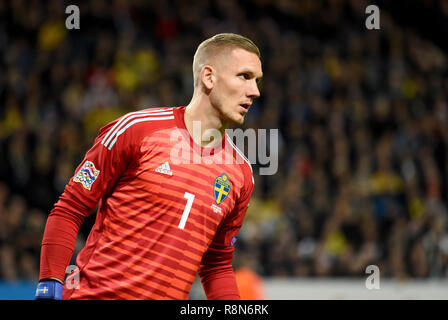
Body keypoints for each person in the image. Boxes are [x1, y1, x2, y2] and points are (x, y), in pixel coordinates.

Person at [35, 33, 263, 300]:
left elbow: (217, 265)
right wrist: (49, 284)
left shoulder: (240, 173)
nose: (255, 91)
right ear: (209, 77)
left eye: (257, 80)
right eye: (244, 76)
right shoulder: (137, 130)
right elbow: (70, 208)